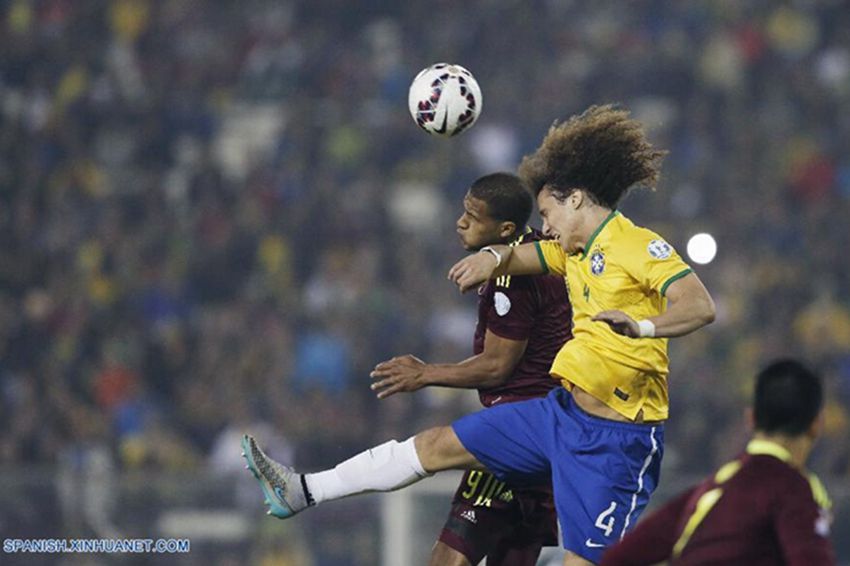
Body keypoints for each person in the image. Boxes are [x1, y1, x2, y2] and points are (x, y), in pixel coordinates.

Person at [241, 104, 716, 566]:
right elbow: (522, 255)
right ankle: (303, 491)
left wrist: (643, 327)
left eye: (548, 213)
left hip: (618, 441)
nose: (544, 226)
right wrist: (490, 259)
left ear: (575, 200)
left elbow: (699, 305)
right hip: (559, 417)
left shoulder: (636, 244)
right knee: (434, 445)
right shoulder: (570, 250)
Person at [370, 172, 572, 566]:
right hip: (550, 435)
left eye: (473, 216)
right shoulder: (541, 253)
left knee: (448, 556)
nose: (460, 222)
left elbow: (497, 367)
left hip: (515, 432)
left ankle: (310, 489)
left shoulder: (512, 276)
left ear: (505, 228)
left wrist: (425, 373)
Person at [600, 359, 836, 566]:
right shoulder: (793, 489)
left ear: (750, 419)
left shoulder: (710, 490)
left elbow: (619, 558)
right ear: (817, 424)